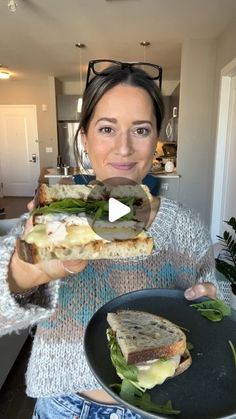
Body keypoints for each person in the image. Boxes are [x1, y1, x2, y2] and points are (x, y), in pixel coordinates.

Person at [0, 60, 222, 419]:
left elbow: (214, 298)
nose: (123, 149)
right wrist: (31, 268)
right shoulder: (53, 221)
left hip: (160, 407)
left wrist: (210, 305)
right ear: (85, 137)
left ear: (156, 138)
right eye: (107, 128)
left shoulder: (184, 226)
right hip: (65, 407)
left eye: (140, 130)